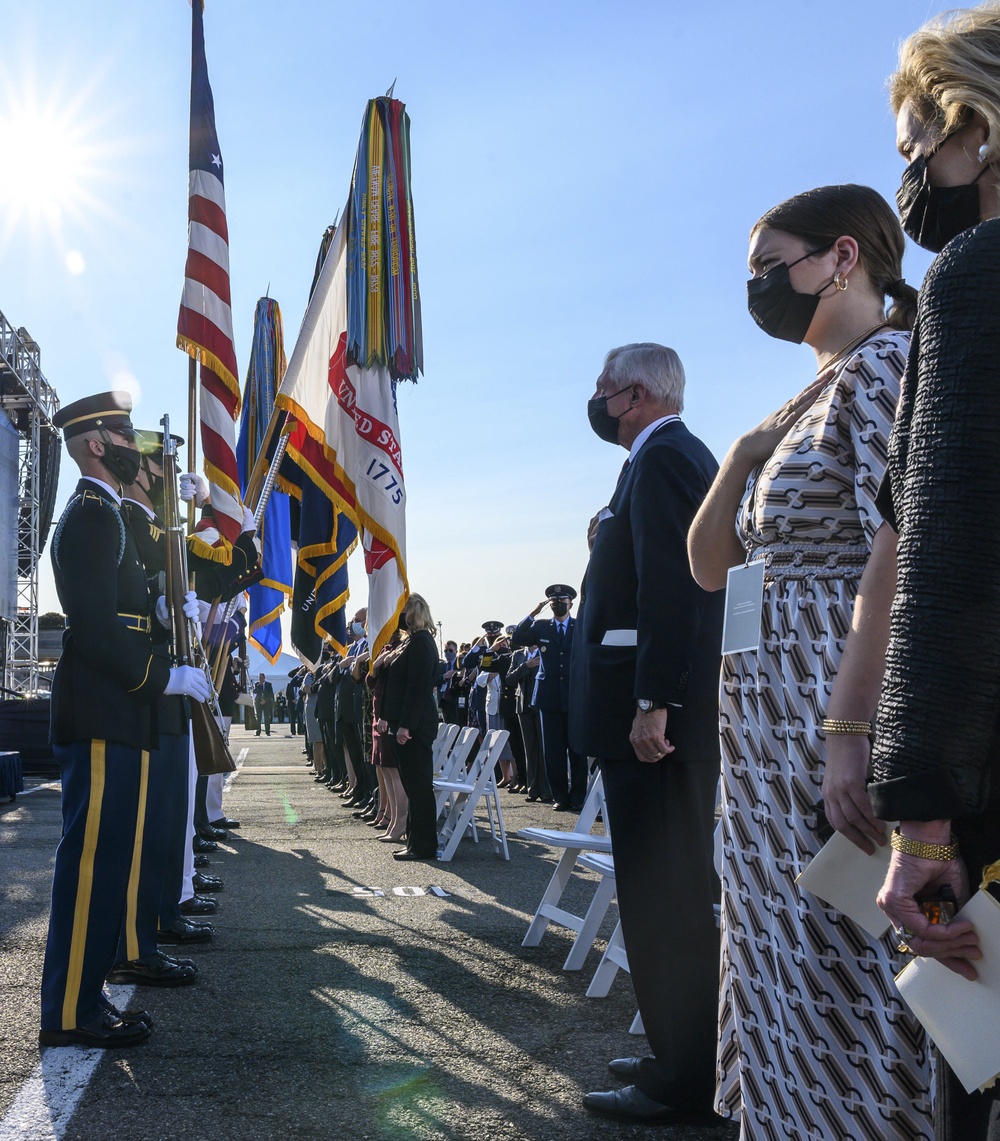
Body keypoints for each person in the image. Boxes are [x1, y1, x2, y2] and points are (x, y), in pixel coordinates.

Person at [687, 185, 926, 1138]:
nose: (758, 287)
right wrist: (738, 457)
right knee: (778, 947)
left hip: (823, 708)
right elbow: (713, 568)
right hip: (764, 722)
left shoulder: (887, 370)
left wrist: (850, 729)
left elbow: (898, 549)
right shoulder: (798, 398)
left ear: (840, 257)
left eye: (770, 263)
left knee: (840, 951)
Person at [823, 9, 1000, 1137]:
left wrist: (920, 828)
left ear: (975, 125)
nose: (908, 168)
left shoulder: (979, 274)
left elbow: (945, 558)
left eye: (915, 138)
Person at [567, 344, 723, 1125]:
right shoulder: (659, 458)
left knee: (667, 902)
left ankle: (684, 1075)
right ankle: (685, 1051)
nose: (596, 401)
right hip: (650, 721)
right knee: (667, 897)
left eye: (603, 389)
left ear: (633, 394)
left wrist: (655, 698)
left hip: (654, 727)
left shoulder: (663, 459)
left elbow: (675, 586)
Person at [39, 392, 210, 1048]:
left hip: (120, 710)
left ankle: (88, 997)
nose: (129, 440)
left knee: (110, 861)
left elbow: (128, 609)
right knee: (92, 864)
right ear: (93, 445)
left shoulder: (107, 515)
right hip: (106, 708)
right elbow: (98, 629)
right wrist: (160, 675)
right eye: (118, 430)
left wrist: (166, 619)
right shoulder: (89, 516)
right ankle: (68, 1011)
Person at [511, 586, 586, 810]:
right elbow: (518, 636)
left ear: (571, 604)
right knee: (553, 751)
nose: (557, 603)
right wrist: (533, 613)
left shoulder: (578, 626)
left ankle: (578, 796)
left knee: (577, 750)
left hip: (574, 696)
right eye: (553, 601)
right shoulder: (542, 626)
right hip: (548, 697)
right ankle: (560, 797)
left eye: (562, 600)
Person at [379, 594, 441, 861]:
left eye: (401, 610)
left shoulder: (422, 643)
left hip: (413, 728)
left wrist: (405, 726)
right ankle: (414, 841)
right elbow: (394, 686)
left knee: (419, 787)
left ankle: (424, 845)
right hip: (402, 724)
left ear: (413, 612)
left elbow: (417, 690)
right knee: (413, 785)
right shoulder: (409, 643)